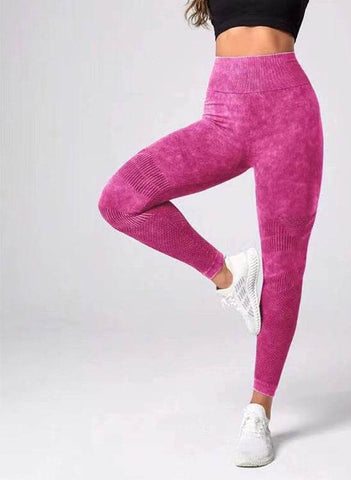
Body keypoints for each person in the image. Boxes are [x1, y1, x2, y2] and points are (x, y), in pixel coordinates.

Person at [97, 0, 323, 468]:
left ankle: (259, 410)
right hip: (225, 114)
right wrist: (221, 270)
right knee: (122, 199)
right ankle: (230, 276)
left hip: (290, 114)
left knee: (285, 267)